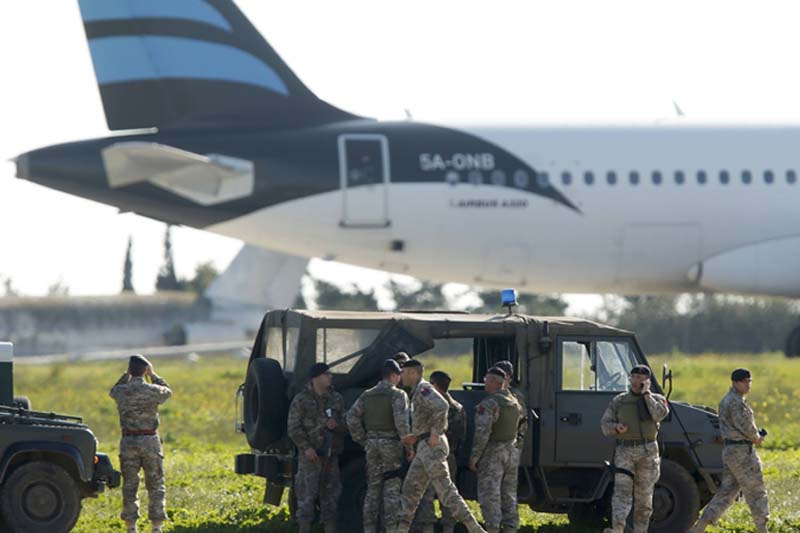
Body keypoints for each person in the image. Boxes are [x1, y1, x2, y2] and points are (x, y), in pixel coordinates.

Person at [395, 359, 486, 533]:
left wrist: (436, 432)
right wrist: (416, 436)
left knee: (446, 492)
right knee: (410, 490)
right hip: (423, 447)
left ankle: (475, 529)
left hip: (432, 448)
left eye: (404, 372)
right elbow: (427, 418)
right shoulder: (417, 391)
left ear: (413, 373)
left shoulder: (424, 389)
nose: (401, 376)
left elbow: (441, 405)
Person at [689, 368, 770, 533]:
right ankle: (763, 528)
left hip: (731, 450)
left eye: (749, 381)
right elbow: (745, 425)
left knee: (727, 492)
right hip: (742, 451)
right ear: (735, 383)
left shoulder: (729, 399)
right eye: (745, 381)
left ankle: (700, 527)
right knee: (756, 490)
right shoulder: (736, 402)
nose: (748, 385)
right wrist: (756, 437)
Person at [600, 365, 669, 533]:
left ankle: (640, 530)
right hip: (625, 452)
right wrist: (616, 427)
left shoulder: (657, 399)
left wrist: (647, 395)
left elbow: (660, 415)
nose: (637, 381)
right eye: (635, 377)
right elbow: (604, 425)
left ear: (648, 381)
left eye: (642, 378)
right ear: (630, 378)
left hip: (648, 452)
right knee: (621, 494)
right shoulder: (620, 401)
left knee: (644, 497)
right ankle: (617, 528)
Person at [109, 354, 172, 533]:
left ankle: (131, 527)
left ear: (129, 371)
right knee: (156, 483)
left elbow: (113, 390)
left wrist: (126, 375)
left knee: (130, 484)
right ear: (145, 370)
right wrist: (153, 375)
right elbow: (167, 391)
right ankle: (157, 526)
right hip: (150, 440)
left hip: (128, 441)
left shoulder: (121, 391)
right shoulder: (153, 390)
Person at [346, 359, 410, 533]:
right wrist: (409, 447)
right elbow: (401, 423)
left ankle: (369, 529)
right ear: (395, 375)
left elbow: (351, 417)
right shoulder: (398, 395)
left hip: (372, 446)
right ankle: (391, 529)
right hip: (391, 445)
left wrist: (363, 440)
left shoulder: (367, 395)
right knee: (391, 488)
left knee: (373, 489)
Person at [287, 362, 347, 533]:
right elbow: (293, 427)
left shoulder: (336, 399)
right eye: (326, 374)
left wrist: (337, 425)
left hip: (330, 458)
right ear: (316, 378)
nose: (330, 377)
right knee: (306, 500)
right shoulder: (301, 399)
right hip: (310, 459)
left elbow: (346, 423)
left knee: (331, 501)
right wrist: (306, 447)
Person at [412, 370, 467, 533]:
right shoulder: (458, 408)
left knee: (426, 495)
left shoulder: (430, 407)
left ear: (435, 385)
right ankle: (448, 528)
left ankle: (428, 528)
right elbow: (462, 435)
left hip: (429, 455)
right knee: (448, 495)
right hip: (449, 457)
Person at [468, 367, 521, 533]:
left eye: (486, 380)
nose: (484, 383)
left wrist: (474, 458)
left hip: (493, 454)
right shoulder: (514, 402)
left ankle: (492, 528)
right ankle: (511, 528)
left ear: (493, 382)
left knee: (490, 495)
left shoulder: (489, 404)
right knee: (509, 494)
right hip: (511, 451)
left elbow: (482, 434)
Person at [494, 360, 528, 460]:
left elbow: (521, 421)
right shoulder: (496, 393)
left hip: (511, 442)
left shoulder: (515, 396)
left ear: (508, 377)